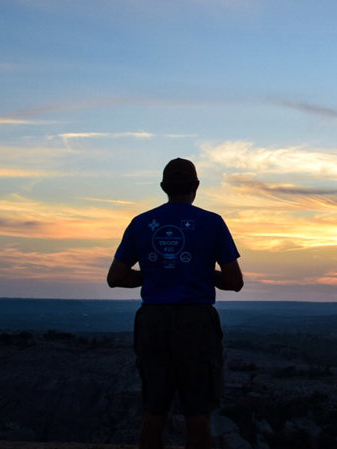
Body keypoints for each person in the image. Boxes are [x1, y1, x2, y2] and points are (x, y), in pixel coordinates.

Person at [107, 158, 243, 449]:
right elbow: (234, 281)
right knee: (197, 412)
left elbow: (116, 277)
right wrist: (199, 271)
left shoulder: (141, 223)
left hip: (153, 320)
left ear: (163, 187)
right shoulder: (212, 223)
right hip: (196, 322)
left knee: (154, 410)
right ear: (196, 187)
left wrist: (155, 273)